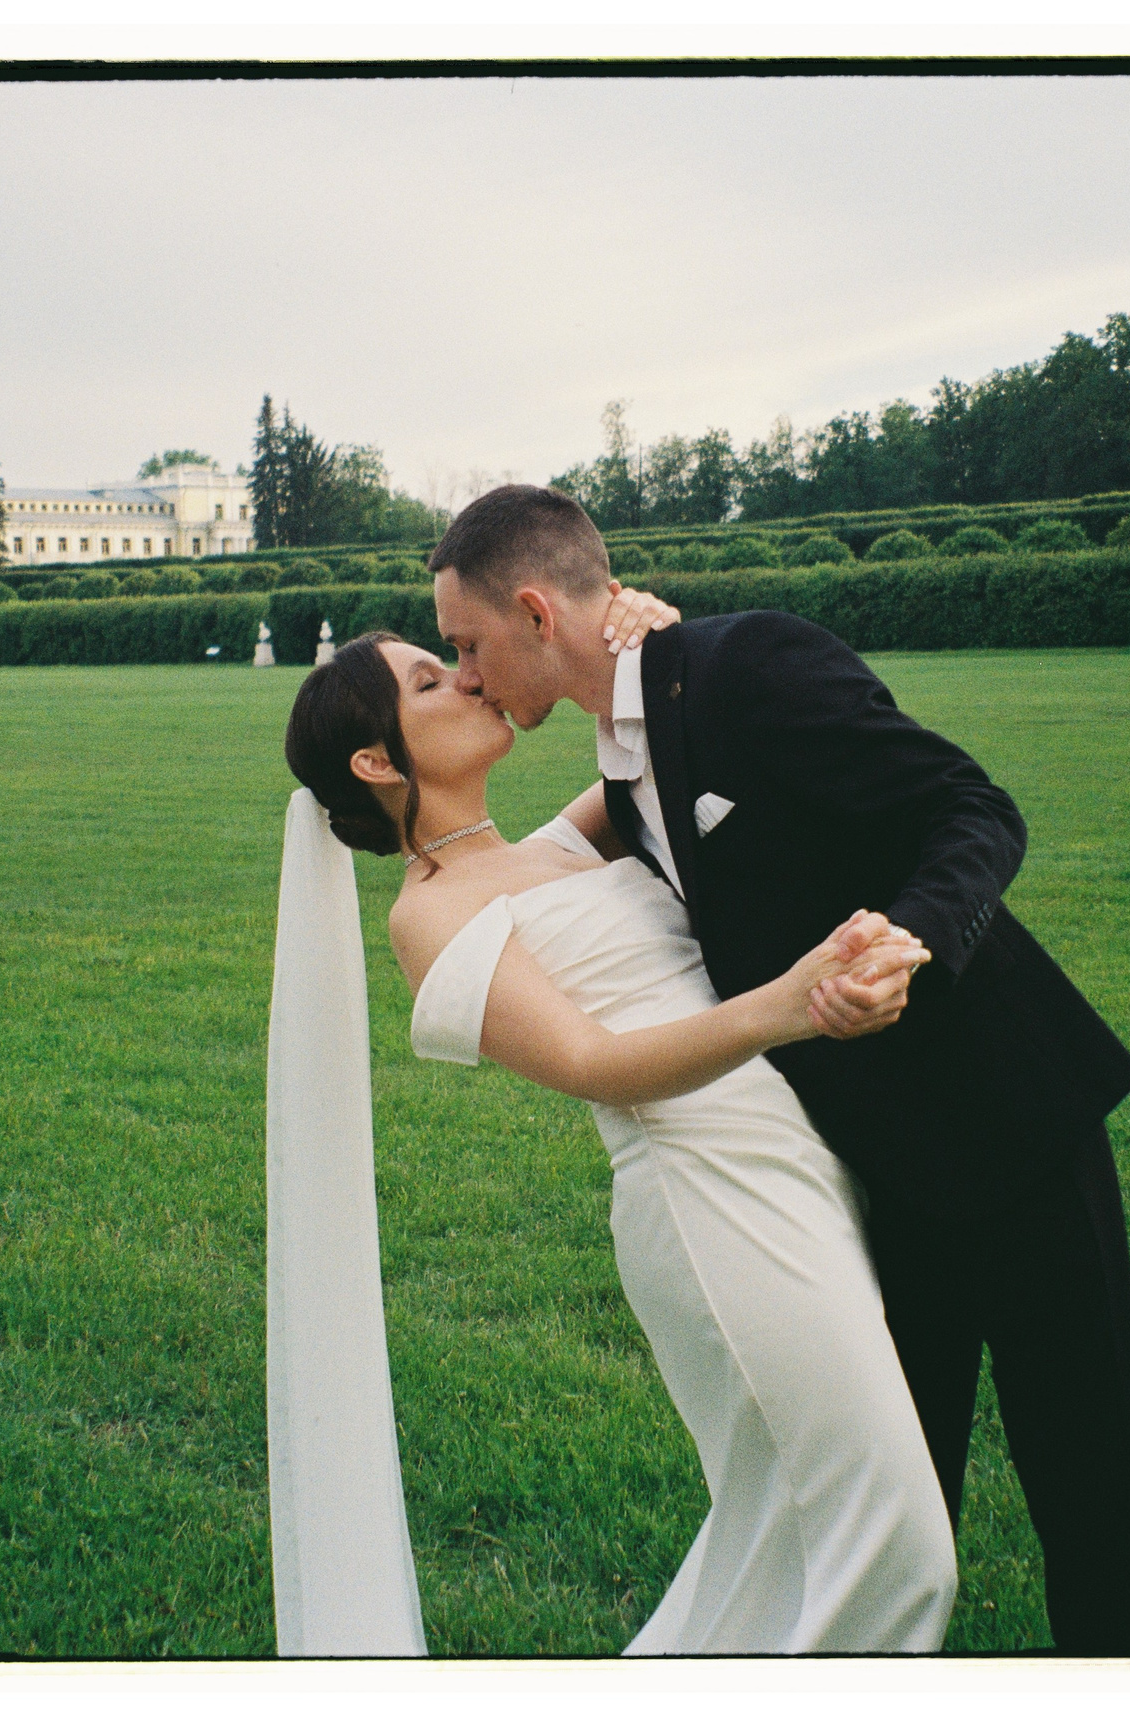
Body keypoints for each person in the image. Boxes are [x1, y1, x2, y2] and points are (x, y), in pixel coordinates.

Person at [428, 486, 1130, 1654]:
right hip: (871, 1177)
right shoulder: (626, 764)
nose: (464, 675)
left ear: (534, 611)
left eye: (465, 646)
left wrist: (906, 941)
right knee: (892, 1511)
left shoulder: (750, 665)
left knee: (1089, 1491)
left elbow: (971, 808)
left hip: (1010, 1125)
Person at [279, 621, 959, 1655]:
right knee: (897, 1546)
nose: (466, 679)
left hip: (796, 1163)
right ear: (375, 760)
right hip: (707, 1200)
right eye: (429, 680)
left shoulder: (547, 848)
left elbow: (650, 732)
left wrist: (645, 628)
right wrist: (789, 1003)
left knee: (784, 1532)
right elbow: (592, 1064)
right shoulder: (427, 914)